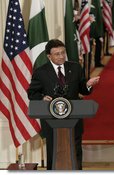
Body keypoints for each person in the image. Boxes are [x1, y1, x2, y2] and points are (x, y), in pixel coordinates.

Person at [27, 39, 100, 170]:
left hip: (74, 119)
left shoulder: (75, 67)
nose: (61, 56)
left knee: (76, 149)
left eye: (63, 53)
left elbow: (82, 89)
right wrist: (42, 98)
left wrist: (88, 85)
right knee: (53, 150)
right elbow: (32, 93)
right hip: (51, 121)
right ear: (49, 56)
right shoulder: (41, 72)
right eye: (57, 54)